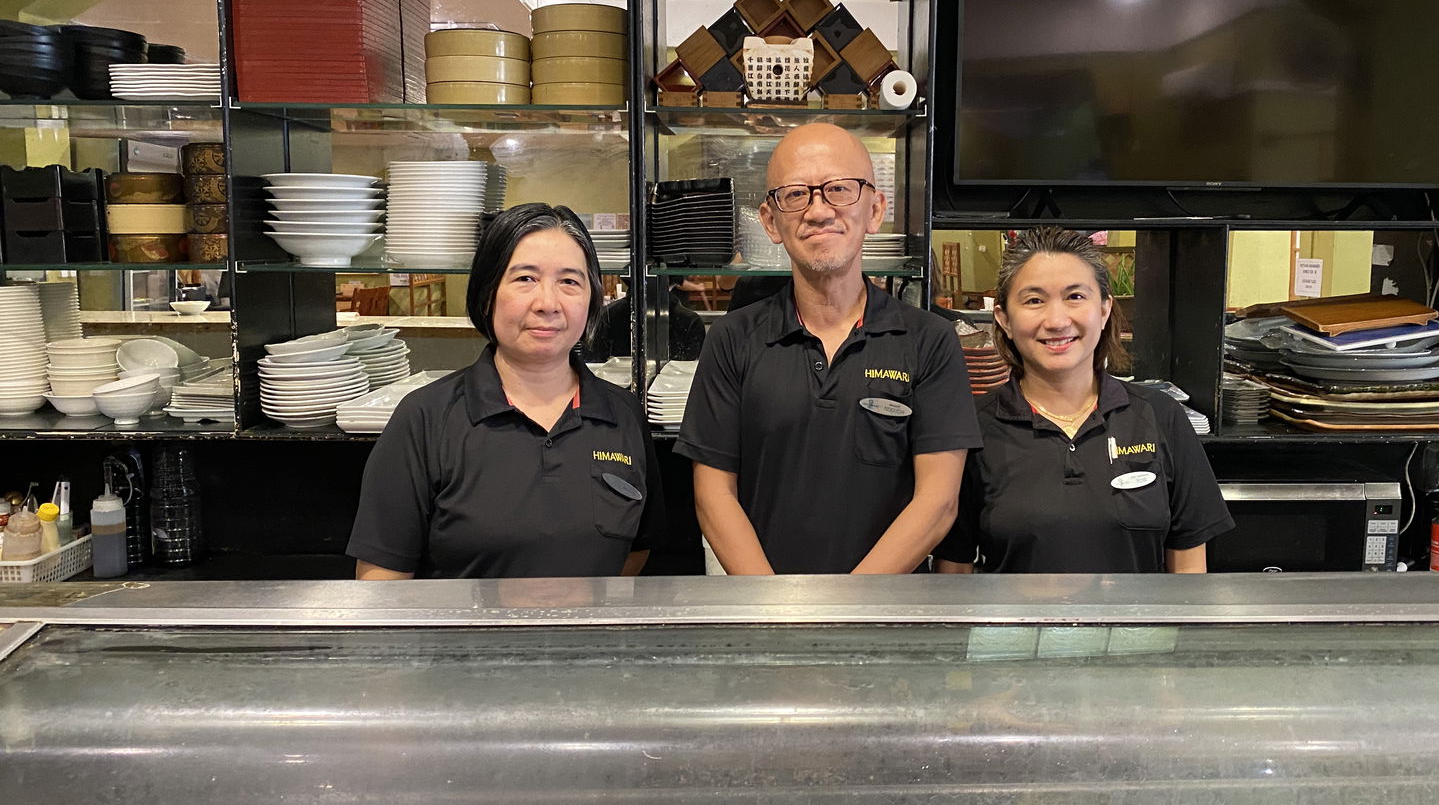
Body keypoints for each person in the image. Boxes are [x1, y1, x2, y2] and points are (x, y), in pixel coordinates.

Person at [675, 124, 981, 574]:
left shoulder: (928, 341)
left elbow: (937, 502)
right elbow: (713, 494)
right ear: (770, 220)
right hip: (764, 614)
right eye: (796, 194)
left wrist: (845, 609)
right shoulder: (732, 338)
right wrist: (774, 610)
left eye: (839, 189)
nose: (818, 211)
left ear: (876, 210)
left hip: (882, 617)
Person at [348, 203, 662, 578]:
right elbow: (382, 580)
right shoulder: (426, 419)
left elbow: (636, 552)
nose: (548, 304)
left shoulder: (622, 414)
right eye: (525, 279)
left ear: (593, 300)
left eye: (570, 282)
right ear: (487, 293)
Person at [934, 227, 1231, 574]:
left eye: (1075, 296)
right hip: (1015, 629)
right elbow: (953, 571)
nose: (1057, 321)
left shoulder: (1160, 416)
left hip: (1135, 629)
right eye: (1034, 300)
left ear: (1104, 310)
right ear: (1004, 320)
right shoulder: (973, 427)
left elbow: (1188, 567)